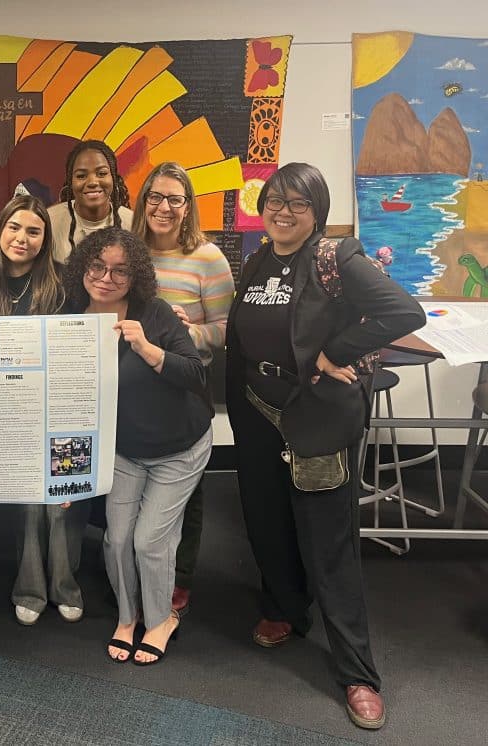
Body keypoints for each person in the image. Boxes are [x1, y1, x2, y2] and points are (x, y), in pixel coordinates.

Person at [225, 162, 424, 730]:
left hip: (313, 415)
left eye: (297, 204)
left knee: (327, 537)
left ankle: (357, 672)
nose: (282, 212)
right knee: (265, 518)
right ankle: (286, 607)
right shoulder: (259, 257)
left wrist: (338, 352)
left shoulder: (335, 259)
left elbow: (402, 312)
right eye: (274, 201)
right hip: (256, 411)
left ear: (318, 212)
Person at [64, 227, 212, 666]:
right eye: (97, 266)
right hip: (123, 449)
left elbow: (197, 376)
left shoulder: (156, 314)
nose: (106, 277)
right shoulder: (70, 317)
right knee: (117, 540)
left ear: (136, 277)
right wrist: (69, 474)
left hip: (179, 448)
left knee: (150, 542)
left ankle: (162, 618)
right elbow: (65, 399)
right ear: (83, 267)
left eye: (120, 271)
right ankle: (128, 618)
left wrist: (148, 349)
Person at [130, 162, 234, 617]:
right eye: (155, 196)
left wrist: (191, 335)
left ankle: (180, 579)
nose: (164, 207)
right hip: (131, 393)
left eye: (175, 199)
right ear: (143, 201)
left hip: (183, 390)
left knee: (185, 495)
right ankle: (140, 571)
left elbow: (229, 329)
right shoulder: (131, 253)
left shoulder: (207, 258)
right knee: (133, 491)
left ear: (188, 206)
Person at [0, 195, 84, 625]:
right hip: (9, 414)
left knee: (62, 502)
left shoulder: (63, 284)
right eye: (14, 228)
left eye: (34, 231)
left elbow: (81, 344)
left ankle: (65, 586)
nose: (22, 238)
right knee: (26, 505)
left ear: (45, 238)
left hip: (61, 407)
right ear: (0, 230)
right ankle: (30, 588)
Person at [48, 140, 133, 263]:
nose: (92, 182)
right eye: (81, 176)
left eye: (102, 173)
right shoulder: (50, 222)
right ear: (70, 181)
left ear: (113, 178)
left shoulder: (134, 224)